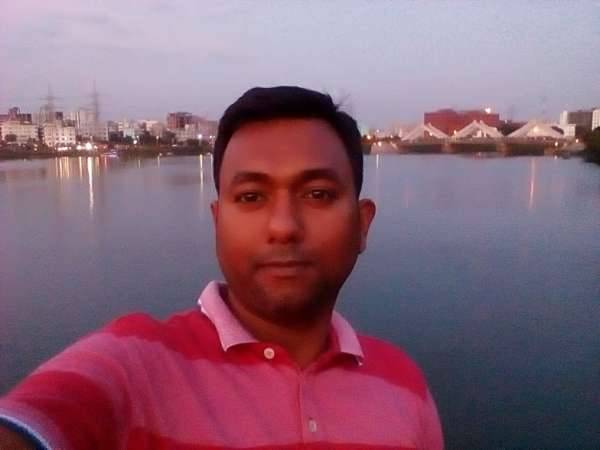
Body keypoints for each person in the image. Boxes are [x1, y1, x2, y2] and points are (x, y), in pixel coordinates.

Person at [0, 86, 444, 449]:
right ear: (217, 223)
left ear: (362, 224)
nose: (283, 226)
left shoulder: (405, 386)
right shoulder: (135, 366)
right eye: (251, 197)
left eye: (318, 194)